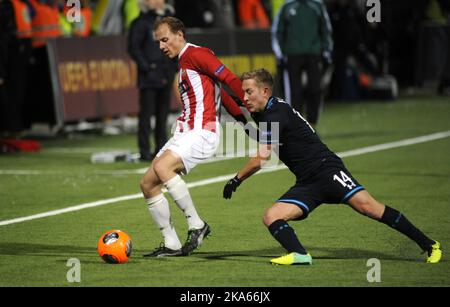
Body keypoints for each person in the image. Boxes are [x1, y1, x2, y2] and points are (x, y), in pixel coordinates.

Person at [222, 68, 442, 265]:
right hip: (307, 182)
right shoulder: (267, 109)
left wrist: (236, 179)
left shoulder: (274, 114)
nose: (245, 97)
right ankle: (299, 254)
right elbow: (244, 112)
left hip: (328, 170)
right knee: (271, 216)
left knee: (370, 208)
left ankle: (429, 244)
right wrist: (221, 96)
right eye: (244, 92)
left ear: (265, 91)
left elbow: (262, 157)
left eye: (249, 92)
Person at [140, 16, 248, 257]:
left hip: (203, 131)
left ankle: (197, 224)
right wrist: (243, 123)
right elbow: (223, 95)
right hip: (185, 131)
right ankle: (171, 243)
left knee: (162, 166)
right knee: (147, 184)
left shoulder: (197, 54)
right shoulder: (183, 62)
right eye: (158, 42)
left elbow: (229, 79)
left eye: (165, 40)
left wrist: (253, 108)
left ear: (180, 34)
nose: (161, 46)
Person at [272, 0, 333, 129]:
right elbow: (278, 31)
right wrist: (280, 53)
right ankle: (297, 125)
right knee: (295, 92)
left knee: (315, 89)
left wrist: (327, 50)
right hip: (292, 53)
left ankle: (312, 124)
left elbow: (325, 29)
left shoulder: (317, 5)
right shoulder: (287, 6)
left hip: (313, 53)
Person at [128, 0, 176, 161]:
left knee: (163, 116)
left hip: (166, 73)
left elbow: (177, 44)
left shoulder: (170, 21)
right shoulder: (140, 23)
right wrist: (147, 67)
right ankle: (144, 150)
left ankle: (161, 149)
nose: (156, 2)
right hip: (149, 76)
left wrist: (174, 66)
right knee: (146, 115)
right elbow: (133, 47)